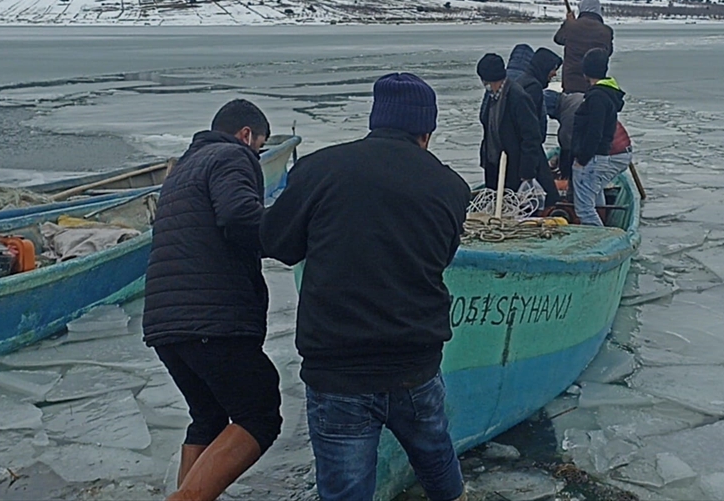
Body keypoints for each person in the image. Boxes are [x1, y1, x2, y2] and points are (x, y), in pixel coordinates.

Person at [260, 73, 471, 501]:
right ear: (425, 132)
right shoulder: (450, 187)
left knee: (346, 491)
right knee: (438, 465)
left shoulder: (320, 169)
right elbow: (442, 257)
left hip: (339, 370)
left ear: (376, 121)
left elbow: (276, 243)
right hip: (416, 363)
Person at [142, 99, 282, 501]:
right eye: (259, 147)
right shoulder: (232, 157)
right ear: (246, 135)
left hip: (165, 322)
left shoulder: (183, 169)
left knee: (208, 418)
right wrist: (291, 233)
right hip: (212, 319)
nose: (257, 155)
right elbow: (240, 217)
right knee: (259, 413)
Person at [571, 49, 631, 227]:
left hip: (592, 159)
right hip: (599, 157)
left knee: (584, 209)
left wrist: (582, 158)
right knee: (593, 195)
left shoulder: (597, 97)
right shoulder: (606, 94)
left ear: (586, 71)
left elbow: (594, 131)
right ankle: (603, 227)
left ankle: (597, 240)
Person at [477, 53, 544, 194]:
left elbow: (531, 136)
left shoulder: (518, 97)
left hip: (513, 167)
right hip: (493, 164)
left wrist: (527, 172)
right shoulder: (491, 97)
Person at [514, 47, 563, 207]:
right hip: (530, 150)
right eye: (553, 69)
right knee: (550, 198)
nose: (555, 73)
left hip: (524, 149)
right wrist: (529, 169)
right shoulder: (532, 88)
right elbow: (529, 127)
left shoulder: (522, 81)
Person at [554, 0, 614, 94]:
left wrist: (568, 22)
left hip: (571, 83)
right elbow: (608, 52)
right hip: (595, 85)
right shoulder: (606, 31)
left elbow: (558, 39)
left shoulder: (572, 26)